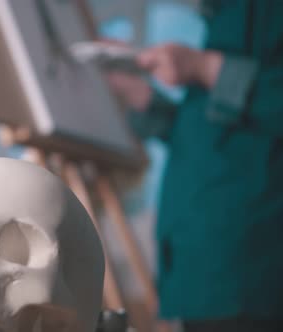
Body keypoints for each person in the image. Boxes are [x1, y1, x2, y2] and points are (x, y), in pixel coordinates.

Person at [105, 1, 283, 331]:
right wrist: (143, 96)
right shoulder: (219, 18)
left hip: (248, 273)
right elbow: (212, 140)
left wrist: (207, 68)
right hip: (202, 268)